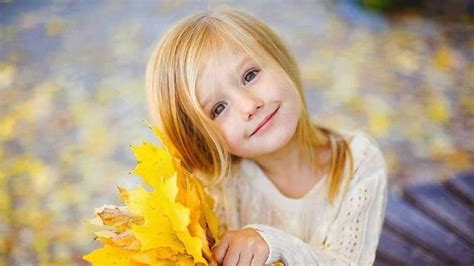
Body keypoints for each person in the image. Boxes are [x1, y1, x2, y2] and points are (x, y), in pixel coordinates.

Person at [145, 5, 387, 266]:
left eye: (250, 75)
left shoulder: (359, 163)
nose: (249, 106)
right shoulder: (216, 190)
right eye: (218, 108)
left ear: (280, 60)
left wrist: (274, 244)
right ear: (201, 138)